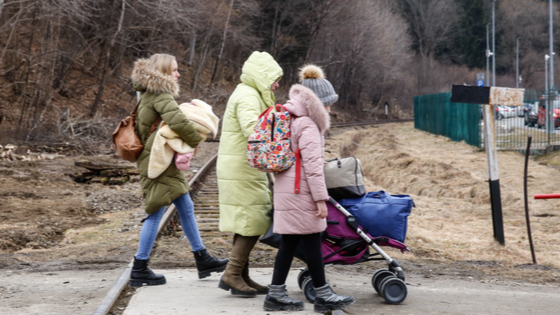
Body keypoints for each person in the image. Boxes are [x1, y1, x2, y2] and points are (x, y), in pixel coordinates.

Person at [129, 53, 228, 286]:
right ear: (163, 73)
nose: (178, 74)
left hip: (159, 159)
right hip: (157, 162)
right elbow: (178, 122)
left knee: (186, 206)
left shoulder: (148, 92)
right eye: (174, 70)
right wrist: (195, 140)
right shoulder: (160, 93)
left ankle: (202, 258)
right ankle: (139, 268)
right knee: (155, 213)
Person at [263, 65, 355, 312]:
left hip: (288, 189)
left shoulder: (292, 116)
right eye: (328, 104)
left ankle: (275, 294)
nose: (330, 108)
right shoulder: (309, 125)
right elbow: (313, 168)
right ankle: (323, 294)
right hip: (301, 192)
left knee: (290, 243)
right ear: (317, 103)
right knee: (313, 239)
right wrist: (320, 200)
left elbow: (302, 159)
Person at [217, 51, 283, 297]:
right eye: (274, 79)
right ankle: (232, 274)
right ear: (262, 76)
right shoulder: (247, 95)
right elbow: (253, 129)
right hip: (242, 167)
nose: (277, 84)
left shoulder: (250, 93)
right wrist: (281, 131)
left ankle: (240, 275)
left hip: (243, 165)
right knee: (253, 220)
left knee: (247, 220)